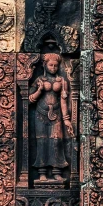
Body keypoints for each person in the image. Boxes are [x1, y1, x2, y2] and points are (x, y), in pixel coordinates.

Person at [29, 53, 73, 183]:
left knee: (56, 142)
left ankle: (56, 171)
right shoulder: (39, 80)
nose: (53, 67)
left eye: (55, 65)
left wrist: (66, 119)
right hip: (41, 114)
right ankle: (42, 172)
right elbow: (29, 100)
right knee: (42, 142)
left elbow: (64, 102)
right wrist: (39, 91)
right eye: (50, 65)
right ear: (45, 65)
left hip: (57, 114)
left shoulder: (62, 81)